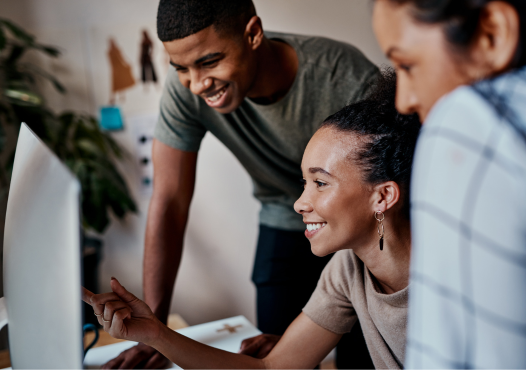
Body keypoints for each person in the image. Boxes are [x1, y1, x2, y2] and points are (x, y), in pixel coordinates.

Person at [103, 0, 380, 368]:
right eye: (181, 68)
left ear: (252, 34)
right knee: (272, 351)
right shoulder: (185, 89)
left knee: (362, 353)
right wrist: (153, 328)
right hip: (284, 214)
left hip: (358, 223)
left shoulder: (343, 76)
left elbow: (388, 190)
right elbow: (169, 199)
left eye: (209, 61)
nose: (197, 83)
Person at [83, 70, 421, 369]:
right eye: (304, 183)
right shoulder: (347, 269)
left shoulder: (448, 281)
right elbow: (271, 368)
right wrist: (156, 334)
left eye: (320, 183)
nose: (300, 204)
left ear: (382, 197)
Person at [372, 0, 526, 368]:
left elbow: (446, 354)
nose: (404, 100)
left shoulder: (466, 125)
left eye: (407, 64)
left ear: (493, 34)